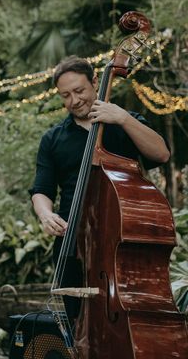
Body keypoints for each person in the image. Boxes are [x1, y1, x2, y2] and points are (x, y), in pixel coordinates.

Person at [30, 55, 170, 318]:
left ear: (95, 81)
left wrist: (124, 118)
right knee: (77, 324)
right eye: (65, 95)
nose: (74, 101)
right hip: (73, 245)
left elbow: (161, 154)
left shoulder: (125, 122)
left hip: (123, 242)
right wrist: (45, 214)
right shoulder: (52, 139)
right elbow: (41, 190)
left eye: (79, 91)